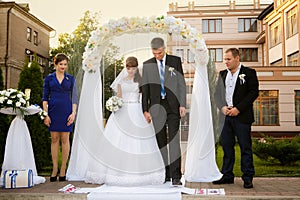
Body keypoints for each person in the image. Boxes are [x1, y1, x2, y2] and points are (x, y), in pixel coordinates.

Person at [84, 56, 165, 186]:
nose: (130, 70)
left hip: (136, 110)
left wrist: (146, 111)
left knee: (137, 141)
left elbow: (144, 98)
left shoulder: (141, 81)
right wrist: (115, 104)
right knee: (117, 139)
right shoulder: (121, 81)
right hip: (123, 111)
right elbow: (119, 97)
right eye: (128, 68)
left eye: (133, 68)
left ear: (136, 68)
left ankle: (140, 172)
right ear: (126, 68)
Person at [142, 37, 186, 186]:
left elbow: (181, 84)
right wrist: (145, 110)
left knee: (174, 140)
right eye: (154, 53)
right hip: (156, 107)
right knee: (161, 142)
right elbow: (145, 89)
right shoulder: (147, 65)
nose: (157, 56)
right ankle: (165, 173)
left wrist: (182, 104)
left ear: (164, 48)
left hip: (173, 106)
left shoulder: (175, 61)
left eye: (159, 53)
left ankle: (176, 176)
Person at [213, 48, 259, 189]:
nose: (225, 62)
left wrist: (238, 109)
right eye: (225, 59)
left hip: (242, 117)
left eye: (228, 59)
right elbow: (216, 94)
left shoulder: (249, 73)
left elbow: (253, 93)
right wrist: (222, 107)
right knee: (227, 147)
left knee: (245, 147)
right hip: (225, 117)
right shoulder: (221, 75)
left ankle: (247, 177)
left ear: (237, 58)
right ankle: (227, 175)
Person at [42, 53, 78, 182]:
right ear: (55, 64)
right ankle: (54, 169)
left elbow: (74, 98)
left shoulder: (71, 79)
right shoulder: (49, 79)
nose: (63, 66)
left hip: (67, 111)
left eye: (65, 64)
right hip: (53, 111)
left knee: (65, 139)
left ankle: (63, 169)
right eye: (61, 64)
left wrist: (73, 113)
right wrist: (45, 114)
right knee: (54, 139)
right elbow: (45, 98)